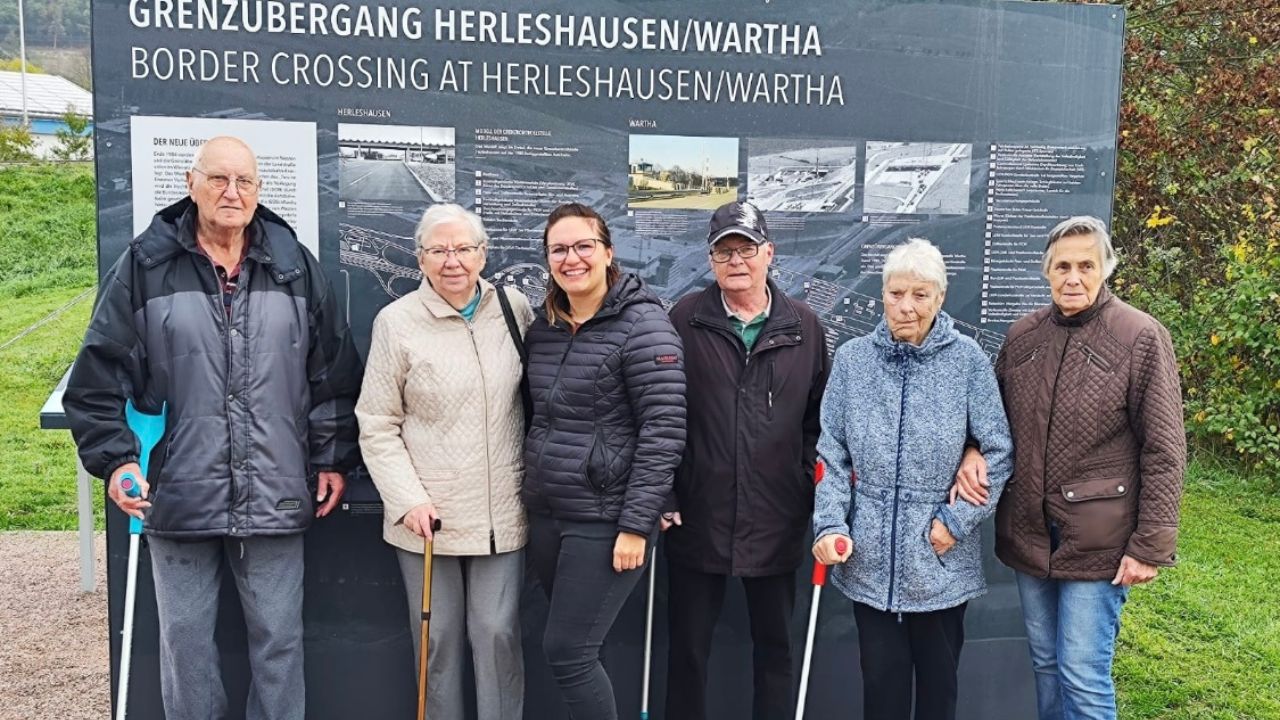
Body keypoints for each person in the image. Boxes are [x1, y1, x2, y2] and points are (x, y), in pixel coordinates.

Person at [64, 136, 362, 720]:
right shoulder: (145, 267)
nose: (232, 192)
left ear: (258, 190)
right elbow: (97, 376)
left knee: (279, 643)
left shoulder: (293, 265)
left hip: (275, 486)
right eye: (218, 179)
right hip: (176, 488)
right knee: (186, 647)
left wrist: (330, 457)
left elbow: (332, 371)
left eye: (244, 181)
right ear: (191, 183)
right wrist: (118, 461)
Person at [954, 216, 1186, 720]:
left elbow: (1165, 449)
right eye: (1063, 267)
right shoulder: (1023, 337)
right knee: (1046, 664)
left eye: (1086, 265)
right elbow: (988, 418)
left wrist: (1150, 545)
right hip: (1031, 531)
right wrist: (972, 449)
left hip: (1100, 538)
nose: (1074, 278)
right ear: (1047, 271)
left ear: (1106, 269)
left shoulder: (1140, 337)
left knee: (1082, 671)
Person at [812, 238, 1013, 720]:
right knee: (880, 690)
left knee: (938, 694)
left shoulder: (967, 361)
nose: (906, 306)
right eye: (896, 293)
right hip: (868, 555)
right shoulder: (853, 360)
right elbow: (831, 453)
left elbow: (998, 451)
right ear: (883, 294)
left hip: (939, 556)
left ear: (940, 298)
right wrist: (830, 525)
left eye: (920, 295)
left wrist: (955, 522)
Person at [356, 203, 532, 719]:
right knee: (437, 642)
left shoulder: (514, 309)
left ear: (483, 254)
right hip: (427, 517)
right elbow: (377, 422)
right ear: (420, 259)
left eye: (463, 249)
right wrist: (408, 500)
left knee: (497, 636)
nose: (452, 261)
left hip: (502, 511)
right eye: (438, 251)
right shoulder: (397, 322)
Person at [662, 201, 830, 720]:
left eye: (747, 248)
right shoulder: (684, 319)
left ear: (769, 253)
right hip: (698, 517)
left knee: (775, 651)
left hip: (776, 518)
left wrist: (800, 483)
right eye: (724, 251)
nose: (736, 260)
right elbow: (661, 414)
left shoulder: (805, 326)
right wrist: (667, 491)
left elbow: (819, 422)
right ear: (711, 259)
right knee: (687, 653)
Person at [522, 202, 686, 720]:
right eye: (559, 249)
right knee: (586, 649)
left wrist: (636, 525)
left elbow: (663, 430)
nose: (571, 258)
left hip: (606, 518)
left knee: (567, 651)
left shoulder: (644, 326)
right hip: (549, 514)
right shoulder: (545, 327)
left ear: (608, 252)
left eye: (583, 246)